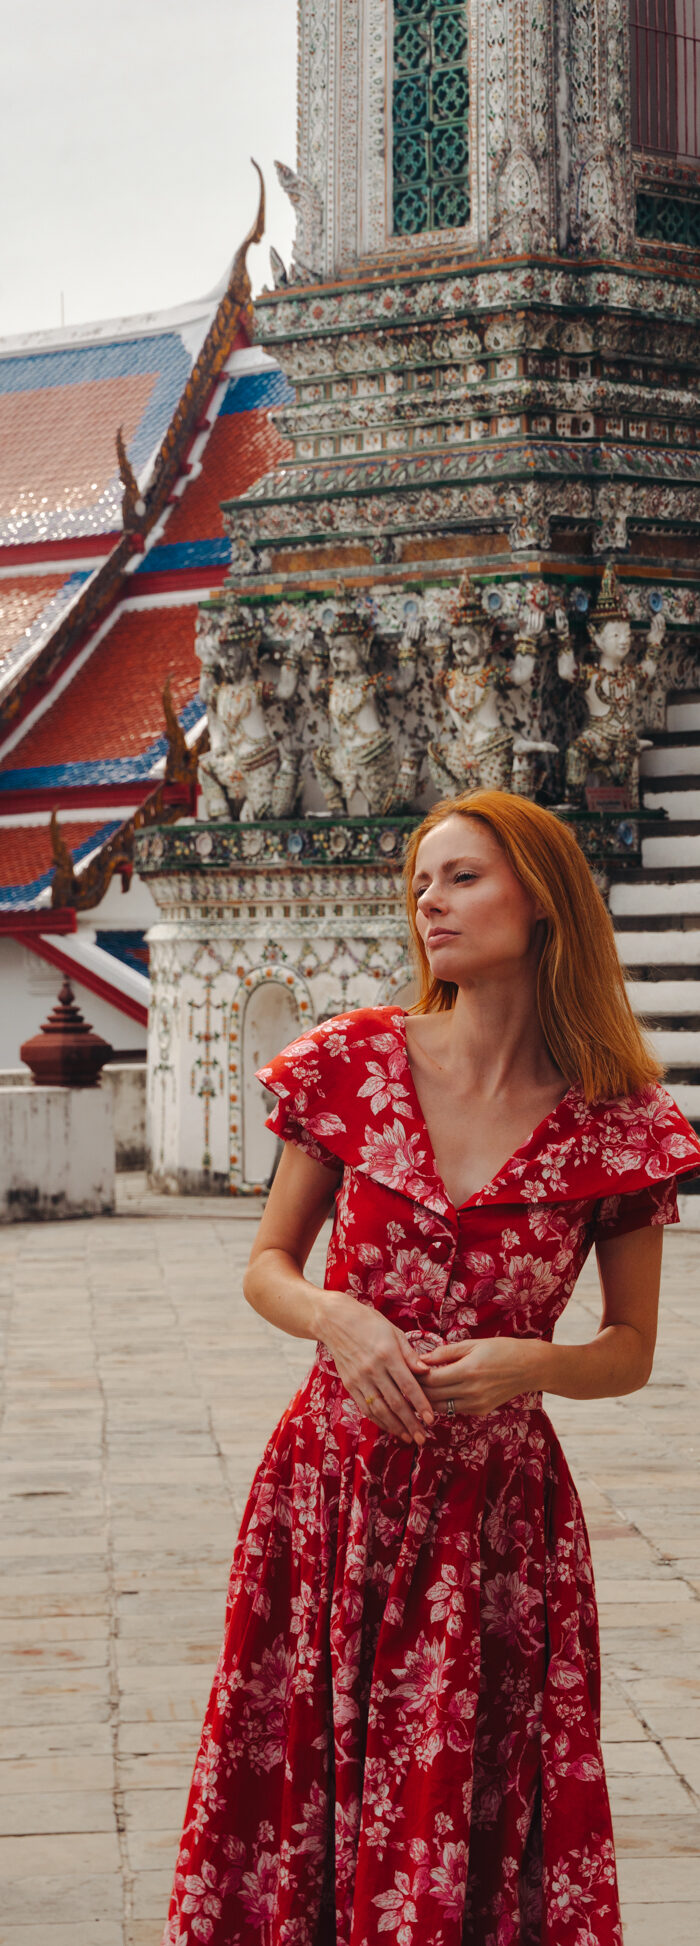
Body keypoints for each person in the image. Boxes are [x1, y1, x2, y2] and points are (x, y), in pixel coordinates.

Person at [162, 788, 700, 1946]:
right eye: (421, 882)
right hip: (330, 1495)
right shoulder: (351, 1063)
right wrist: (333, 1320)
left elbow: (630, 1353)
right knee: (299, 1799)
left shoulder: (620, 1123)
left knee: (460, 1815)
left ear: (541, 899)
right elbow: (266, 1265)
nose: (429, 903)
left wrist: (528, 1364)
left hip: (496, 1529)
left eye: (461, 876)